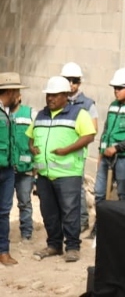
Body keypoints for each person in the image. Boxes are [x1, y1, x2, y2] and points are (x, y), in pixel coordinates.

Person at [28, 76, 96, 263]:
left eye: (55, 95)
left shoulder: (78, 113)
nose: (50, 99)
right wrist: (32, 146)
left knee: (69, 212)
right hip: (44, 174)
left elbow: (89, 135)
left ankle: (73, 247)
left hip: (68, 174)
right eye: (48, 95)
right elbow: (31, 135)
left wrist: (67, 150)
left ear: (66, 95)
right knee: (49, 212)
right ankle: (54, 245)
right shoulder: (41, 115)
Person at [92, 68, 125, 237]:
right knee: (100, 193)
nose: (116, 91)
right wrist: (101, 151)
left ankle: (124, 229)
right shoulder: (113, 105)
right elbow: (107, 130)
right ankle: (99, 227)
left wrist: (117, 147)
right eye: (114, 88)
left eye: (120, 88)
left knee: (123, 195)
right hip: (107, 157)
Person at [61, 62, 97, 233]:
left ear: (79, 83)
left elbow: (93, 130)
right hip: (60, 152)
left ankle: (82, 220)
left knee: (77, 186)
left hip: (76, 152)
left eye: (74, 80)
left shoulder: (88, 104)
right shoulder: (59, 101)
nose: (71, 84)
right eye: (68, 80)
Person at [0, 72, 28, 266]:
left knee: (4, 212)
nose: (18, 95)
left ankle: (3, 251)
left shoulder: (8, 113)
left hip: (8, 170)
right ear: (10, 91)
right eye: (17, 91)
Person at [10, 78, 35, 243]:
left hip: (25, 168)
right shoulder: (2, 114)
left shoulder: (30, 113)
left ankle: (26, 233)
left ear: (19, 96)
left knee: (24, 201)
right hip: (5, 167)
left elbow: (36, 140)